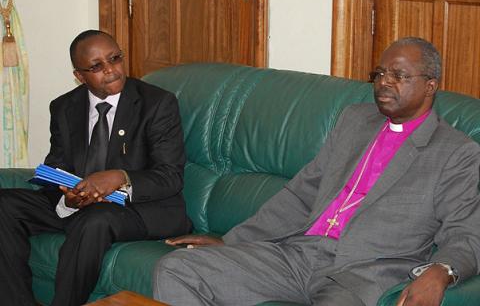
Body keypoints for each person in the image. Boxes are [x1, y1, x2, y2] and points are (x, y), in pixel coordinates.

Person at [153, 37, 480, 306]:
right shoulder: (355, 121)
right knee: (177, 269)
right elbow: (301, 193)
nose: (384, 83)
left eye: (399, 75)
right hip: (298, 255)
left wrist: (441, 271)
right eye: (379, 74)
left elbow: (467, 232)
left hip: (361, 276)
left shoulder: (456, 152)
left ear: (430, 85)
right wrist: (232, 241)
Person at [0, 30, 191, 306]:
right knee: (4, 204)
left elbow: (171, 176)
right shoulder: (64, 107)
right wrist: (67, 198)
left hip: (138, 209)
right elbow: (58, 165)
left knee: (96, 219)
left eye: (115, 59)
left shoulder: (157, 103)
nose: (111, 70)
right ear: (80, 75)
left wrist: (119, 177)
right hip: (80, 204)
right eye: (97, 66)